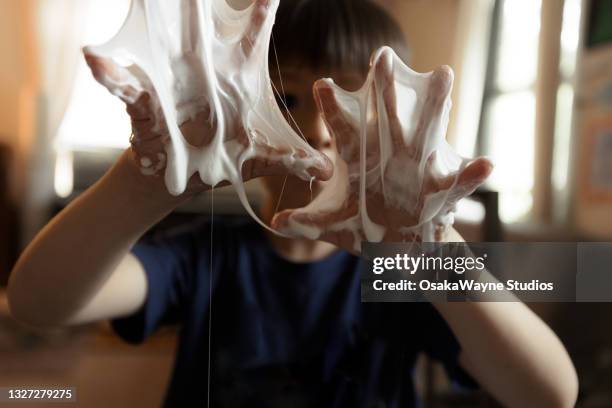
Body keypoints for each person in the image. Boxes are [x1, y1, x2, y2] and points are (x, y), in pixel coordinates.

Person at [8, 0, 578, 407]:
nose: (315, 129)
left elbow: (549, 392)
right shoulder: (205, 257)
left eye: (344, 104)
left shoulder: (399, 281)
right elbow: (39, 303)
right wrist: (146, 182)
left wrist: (434, 256)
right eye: (285, 97)